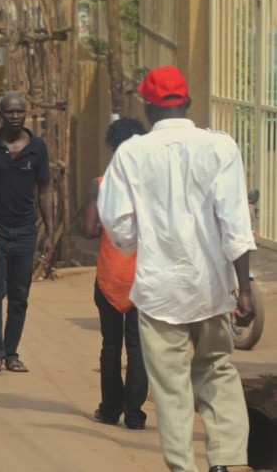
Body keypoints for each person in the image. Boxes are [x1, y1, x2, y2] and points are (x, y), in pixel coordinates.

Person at [98, 66, 256, 472]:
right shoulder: (220, 148)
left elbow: (117, 223)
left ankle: (183, 466)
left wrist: (137, 244)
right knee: (217, 370)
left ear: (147, 107)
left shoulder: (131, 153)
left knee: (170, 386)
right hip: (211, 287)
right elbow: (235, 224)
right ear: (187, 102)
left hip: (158, 288)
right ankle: (223, 461)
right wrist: (245, 289)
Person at [83, 118, 148, 431]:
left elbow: (87, 230)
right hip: (143, 275)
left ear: (112, 146)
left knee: (111, 345)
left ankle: (109, 409)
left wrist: (107, 227)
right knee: (138, 347)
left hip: (109, 274)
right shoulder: (151, 183)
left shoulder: (100, 183)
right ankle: (135, 414)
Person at [0, 93, 54, 375]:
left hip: (25, 230)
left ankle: (12, 353)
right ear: (0, 114)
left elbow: (45, 190)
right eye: (10, 112)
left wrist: (48, 231)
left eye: (20, 112)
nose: (15, 116)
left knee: (19, 294)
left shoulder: (37, 147)